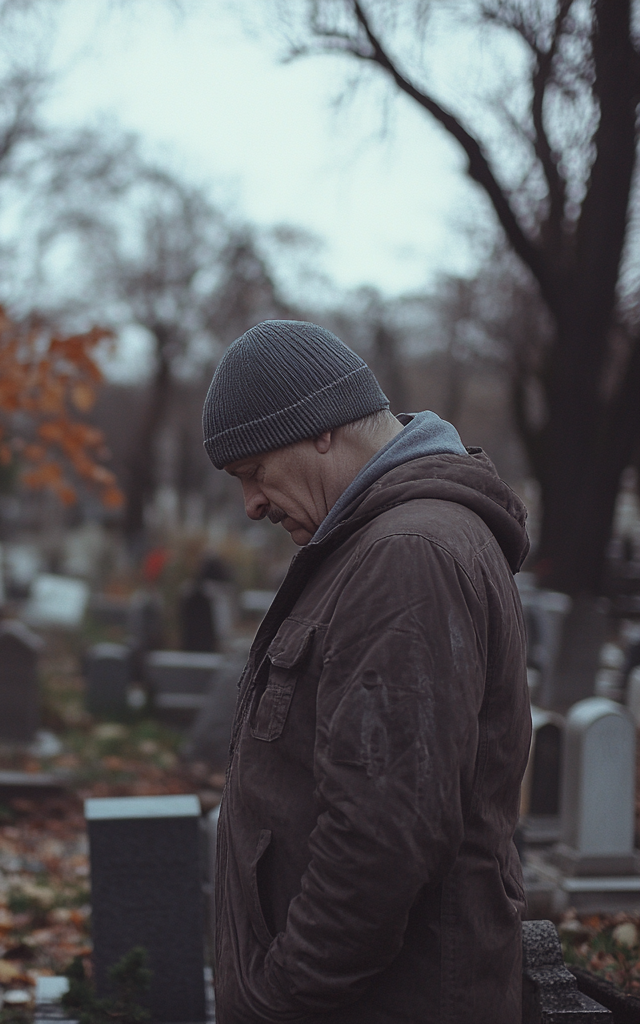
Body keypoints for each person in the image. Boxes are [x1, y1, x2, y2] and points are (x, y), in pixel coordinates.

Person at [203, 321, 530, 1024]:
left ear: (321, 429)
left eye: (255, 471)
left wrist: (280, 1000)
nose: (252, 503)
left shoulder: (407, 555)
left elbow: (384, 837)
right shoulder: (380, 544)